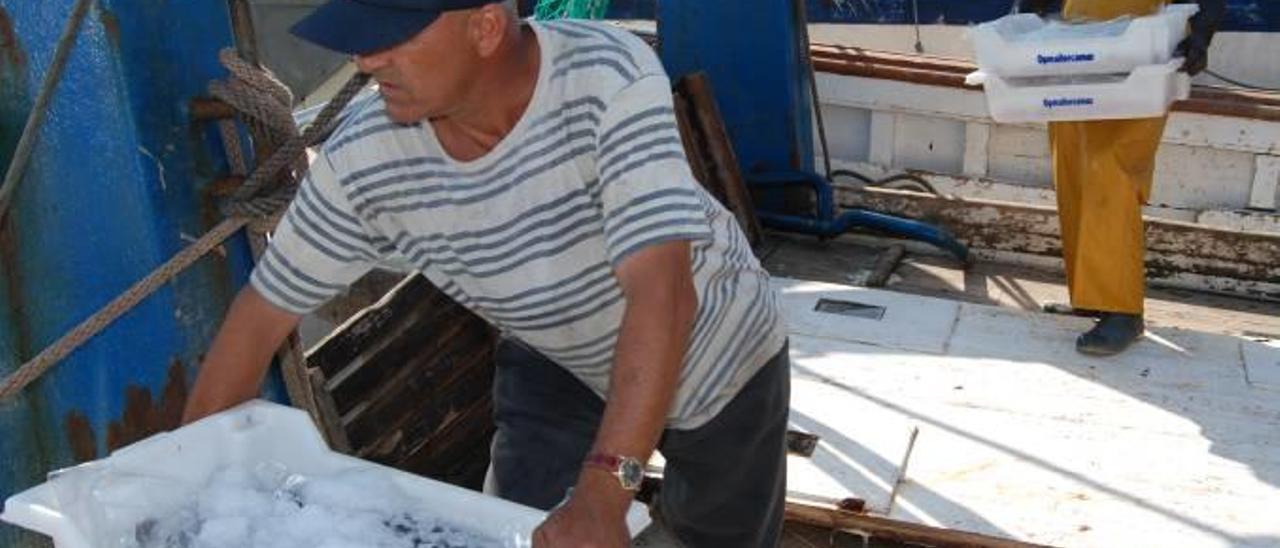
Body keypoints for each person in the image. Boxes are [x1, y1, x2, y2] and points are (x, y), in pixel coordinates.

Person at [180, 1, 791, 547]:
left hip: (715, 348)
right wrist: (181, 491)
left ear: (485, 26)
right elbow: (259, 319)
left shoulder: (605, 75)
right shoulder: (364, 165)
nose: (366, 60)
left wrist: (605, 498)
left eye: (391, 34)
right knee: (513, 529)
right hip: (553, 352)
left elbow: (663, 293)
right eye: (359, 37)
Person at [1025, 0, 1226, 355]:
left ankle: (1123, 310)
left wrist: (1201, 36)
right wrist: (1028, 21)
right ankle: (1092, 295)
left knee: (1112, 169)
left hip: (1146, 52)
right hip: (1079, 46)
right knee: (1074, 169)